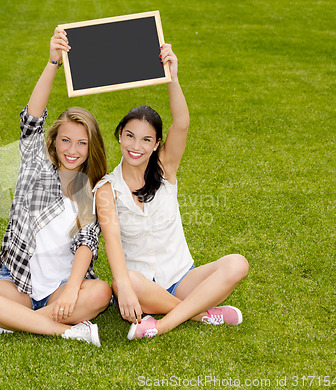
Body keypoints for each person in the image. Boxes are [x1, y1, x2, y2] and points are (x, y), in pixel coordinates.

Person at [0, 27, 111, 347]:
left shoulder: (91, 189)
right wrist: (53, 62)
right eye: (66, 141)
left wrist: (73, 289)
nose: (73, 150)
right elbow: (31, 119)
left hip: (62, 291)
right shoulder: (35, 169)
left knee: (100, 292)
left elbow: (88, 242)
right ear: (54, 143)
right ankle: (65, 329)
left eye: (82, 143)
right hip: (19, 287)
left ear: (91, 147)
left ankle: (8, 324)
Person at [94, 43, 249, 340]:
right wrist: (122, 286)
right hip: (142, 288)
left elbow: (182, 123)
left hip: (182, 278)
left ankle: (162, 324)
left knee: (237, 263)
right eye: (129, 136)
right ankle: (202, 313)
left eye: (145, 140)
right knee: (128, 281)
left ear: (156, 144)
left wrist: (172, 78)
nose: (135, 146)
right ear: (119, 135)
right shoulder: (106, 188)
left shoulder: (165, 169)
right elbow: (111, 240)